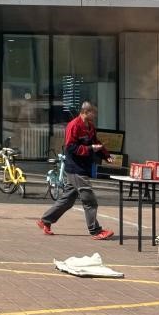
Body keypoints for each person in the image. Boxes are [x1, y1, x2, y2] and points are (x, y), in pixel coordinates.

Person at [36, 102, 114, 239]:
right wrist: (90, 149)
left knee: (67, 200)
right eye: (93, 113)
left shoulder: (90, 126)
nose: (95, 115)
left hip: (83, 167)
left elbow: (95, 142)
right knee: (89, 199)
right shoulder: (73, 125)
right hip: (75, 168)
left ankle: (45, 221)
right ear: (85, 112)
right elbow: (70, 148)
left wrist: (106, 156)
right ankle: (96, 231)